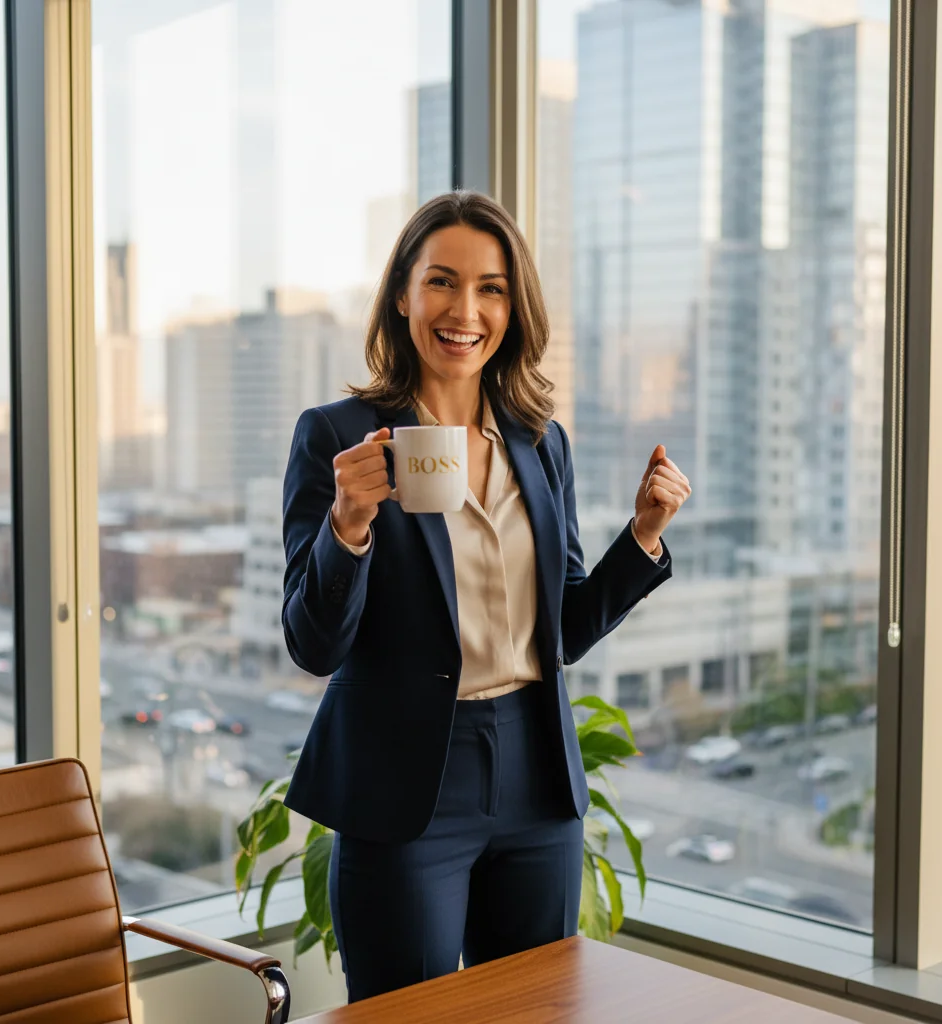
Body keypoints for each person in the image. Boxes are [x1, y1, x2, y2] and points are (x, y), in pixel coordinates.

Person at [281, 190, 690, 1002]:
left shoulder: (540, 440)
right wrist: (350, 523)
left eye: (491, 288)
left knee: (534, 1010)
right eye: (441, 281)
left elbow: (564, 628)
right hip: (407, 786)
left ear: (514, 305)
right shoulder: (337, 435)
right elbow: (313, 645)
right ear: (403, 295)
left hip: (536, 780)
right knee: (412, 1016)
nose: (465, 309)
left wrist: (642, 534)